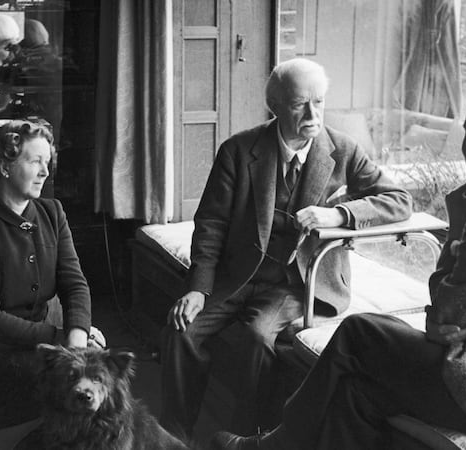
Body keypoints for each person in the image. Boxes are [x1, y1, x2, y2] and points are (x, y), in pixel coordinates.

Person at [211, 78, 466, 449]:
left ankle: (268, 446)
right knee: (355, 394)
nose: (462, 148)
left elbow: (442, 319)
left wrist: (457, 227)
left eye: (464, 134)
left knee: (359, 331)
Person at [159, 57, 413, 438]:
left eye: (320, 103)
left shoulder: (342, 150)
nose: (313, 114)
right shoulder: (239, 150)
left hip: (297, 283)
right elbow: (211, 224)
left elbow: (399, 199)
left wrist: (340, 215)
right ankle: (173, 437)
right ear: (275, 106)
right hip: (238, 276)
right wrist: (197, 288)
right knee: (182, 331)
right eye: (299, 104)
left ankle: (244, 438)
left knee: (257, 337)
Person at [0, 118, 106, 432]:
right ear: (4, 165)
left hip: (34, 340)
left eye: (47, 163)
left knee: (102, 378)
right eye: (34, 161)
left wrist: (78, 334)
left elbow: (74, 282)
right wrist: (60, 338)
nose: (44, 172)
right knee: (69, 385)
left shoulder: (53, 213)